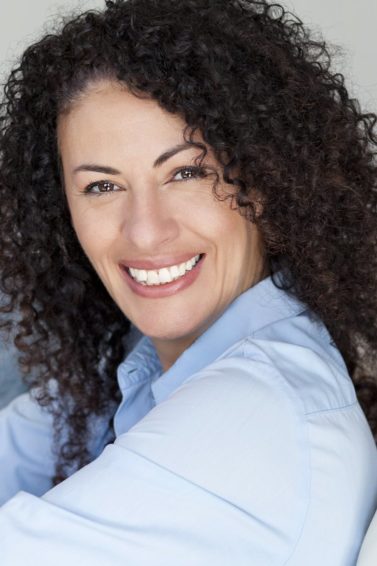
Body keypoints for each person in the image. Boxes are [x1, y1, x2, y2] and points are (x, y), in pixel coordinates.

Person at [0, 0, 377, 563]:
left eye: (186, 172)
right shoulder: (141, 368)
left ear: (264, 180)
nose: (146, 232)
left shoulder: (247, 418)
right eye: (102, 186)